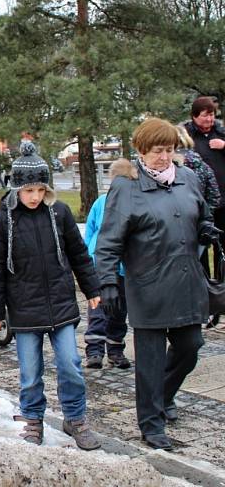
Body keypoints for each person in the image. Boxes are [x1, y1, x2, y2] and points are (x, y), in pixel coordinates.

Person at [96, 117, 216, 451]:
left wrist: (206, 228)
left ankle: (162, 396)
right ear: (140, 151)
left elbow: (202, 214)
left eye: (168, 150)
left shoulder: (189, 178)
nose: (163, 157)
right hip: (148, 285)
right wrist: (106, 281)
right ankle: (151, 424)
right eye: (155, 151)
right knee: (148, 362)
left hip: (186, 281)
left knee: (190, 348)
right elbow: (108, 241)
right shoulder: (126, 187)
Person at [0, 141, 102, 450]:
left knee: (70, 364)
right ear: (16, 190)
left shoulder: (59, 213)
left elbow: (78, 254)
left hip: (60, 305)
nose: (35, 197)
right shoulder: (1, 222)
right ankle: (33, 418)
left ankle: (75, 418)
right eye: (28, 191)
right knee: (31, 371)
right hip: (23, 310)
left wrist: (92, 289)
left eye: (40, 190)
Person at [83, 159, 135, 370]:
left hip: (122, 268)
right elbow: (91, 230)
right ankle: (95, 350)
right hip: (100, 265)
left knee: (119, 311)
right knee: (99, 308)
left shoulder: (133, 203)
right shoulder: (101, 202)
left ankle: (114, 350)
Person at [184, 96, 225, 279]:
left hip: (223, 201)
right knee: (199, 246)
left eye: (212, 116)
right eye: (204, 116)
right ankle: (204, 285)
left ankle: (222, 285)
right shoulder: (186, 136)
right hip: (197, 202)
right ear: (194, 116)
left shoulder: (221, 132)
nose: (209, 120)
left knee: (221, 246)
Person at [177, 123, 221, 276]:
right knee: (202, 264)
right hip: (198, 223)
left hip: (174, 226)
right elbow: (215, 196)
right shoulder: (203, 166)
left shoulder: (169, 168)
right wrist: (204, 214)